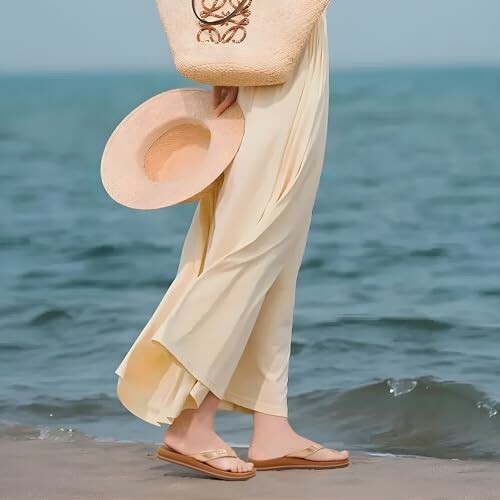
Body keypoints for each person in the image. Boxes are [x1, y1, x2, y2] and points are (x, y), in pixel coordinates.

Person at [115, 11, 350, 479]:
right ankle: (192, 420)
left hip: (289, 44)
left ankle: (272, 426)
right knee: (253, 240)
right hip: (277, 43)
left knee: (277, 247)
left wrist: (230, 61)